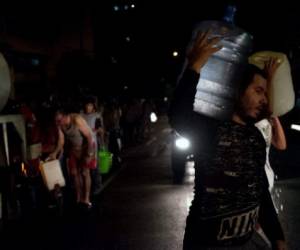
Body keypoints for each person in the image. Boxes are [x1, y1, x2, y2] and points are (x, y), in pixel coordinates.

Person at [169, 31, 287, 249]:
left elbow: (260, 191)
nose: (264, 99)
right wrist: (195, 65)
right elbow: (178, 115)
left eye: (265, 93)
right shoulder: (210, 131)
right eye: (258, 91)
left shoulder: (255, 138)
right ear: (236, 92)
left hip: (246, 242)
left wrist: (278, 238)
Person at [55, 109, 96, 209]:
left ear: (65, 116)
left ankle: (86, 199)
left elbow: (89, 137)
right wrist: (55, 153)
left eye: (59, 121)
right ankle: (79, 197)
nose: (58, 123)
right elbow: (61, 140)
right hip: (74, 149)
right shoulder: (60, 124)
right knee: (74, 173)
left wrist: (89, 154)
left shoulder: (76, 120)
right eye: (56, 121)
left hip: (86, 147)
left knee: (85, 173)